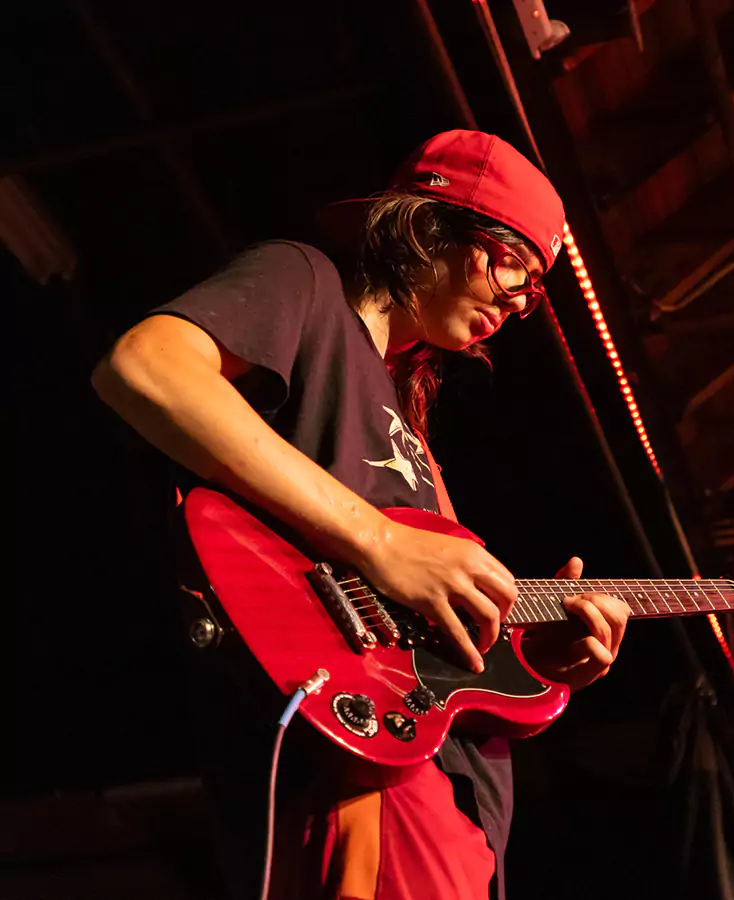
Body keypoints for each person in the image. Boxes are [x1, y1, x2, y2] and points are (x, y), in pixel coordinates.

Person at [92, 129, 630, 900]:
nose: (519, 302)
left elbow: (433, 635)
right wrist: (378, 540)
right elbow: (144, 367)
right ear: (430, 226)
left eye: (534, 290)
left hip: (454, 797)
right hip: (367, 775)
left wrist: (534, 655)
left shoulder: (411, 429)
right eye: (512, 262)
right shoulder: (304, 280)